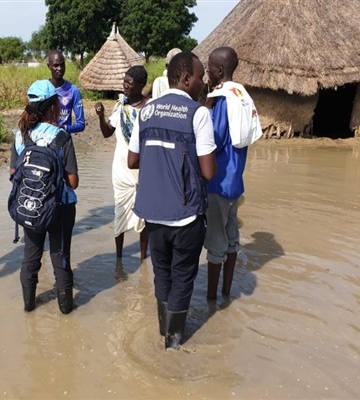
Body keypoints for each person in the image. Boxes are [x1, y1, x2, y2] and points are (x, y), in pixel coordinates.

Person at [128, 52, 217, 350]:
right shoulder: (198, 113)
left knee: (161, 273)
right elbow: (207, 172)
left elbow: (132, 160)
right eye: (201, 77)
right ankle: (174, 343)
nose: (203, 83)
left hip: (153, 214)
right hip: (185, 215)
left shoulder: (147, 111)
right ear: (186, 78)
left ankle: (162, 332)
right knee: (183, 277)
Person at [10, 80, 79, 314]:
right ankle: (66, 312)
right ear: (52, 107)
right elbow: (73, 183)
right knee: (60, 259)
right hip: (60, 208)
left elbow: (13, 174)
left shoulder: (20, 137)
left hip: (30, 206)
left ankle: (29, 308)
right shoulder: (61, 137)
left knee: (31, 258)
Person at [203, 47, 258, 300]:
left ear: (220, 71)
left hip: (218, 184)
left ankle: (212, 300)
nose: (207, 71)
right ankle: (226, 291)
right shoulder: (242, 95)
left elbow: (211, 139)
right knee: (232, 239)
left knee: (215, 243)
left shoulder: (222, 99)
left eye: (210, 68)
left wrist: (206, 108)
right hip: (236, 183)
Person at [94, 66, 149, 259]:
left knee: (144, 214)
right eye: (124, 81)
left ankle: (143, 258)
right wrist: (101, 117)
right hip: (120, 169)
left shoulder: (148, 109)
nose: (125, 86)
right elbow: (107, 132)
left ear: (141, 85)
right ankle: (119, 257)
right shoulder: (120, 107)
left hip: (143, 168)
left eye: (129, 83)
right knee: (120, 210)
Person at [47, 50, 86, 134]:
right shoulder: (43, 89)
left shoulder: (73, 90)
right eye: (56, 65)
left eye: (62, 65)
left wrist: (64, 128)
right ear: (49, 66)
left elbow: (81, 124)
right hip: (45, 141)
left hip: (64, 142)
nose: (60, 69)